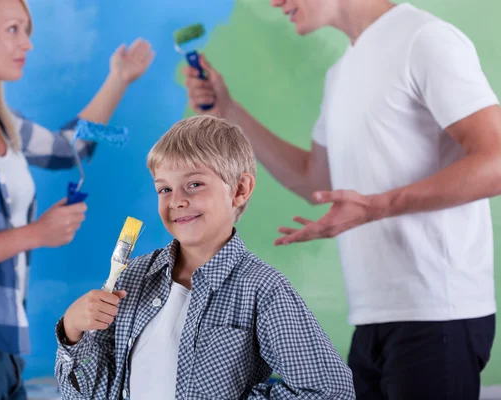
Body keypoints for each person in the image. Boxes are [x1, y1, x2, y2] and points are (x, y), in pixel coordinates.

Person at [183, 0, 500, 399]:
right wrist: (229, 110)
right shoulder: (342, 73)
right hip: (373, 319)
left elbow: (497, 160)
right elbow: (314, 179)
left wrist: (377, 206)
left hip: (437, 316)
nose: (274, 2)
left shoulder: (424, 38)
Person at [0, 0, 154, 398]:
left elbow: (69, 148)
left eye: (28, 30)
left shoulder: (4, 124)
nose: (28, 44)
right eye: (13, 29)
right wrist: (38, 233)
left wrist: (119, 79)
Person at [53, 115, 355, 399]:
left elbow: (330, 390)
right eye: (164, 189)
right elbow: (88, 394)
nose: (177, 200)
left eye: (194, 184)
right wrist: (72, 329)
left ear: (239, 189)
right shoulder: (131, 278)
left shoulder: (263, 290)